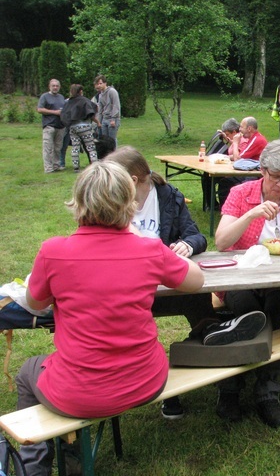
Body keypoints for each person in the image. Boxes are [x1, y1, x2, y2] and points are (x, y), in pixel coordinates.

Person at [16, 161, 204, 475]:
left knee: (27, 372)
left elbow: (34, 302)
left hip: (78, 392)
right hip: (145, 380)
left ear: (78, 202)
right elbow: (196, 280)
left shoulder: (54, 251)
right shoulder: (149, 249)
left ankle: (35, 466)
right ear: (128, 203)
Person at [105, 146, 215, 419]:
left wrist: (187, 246)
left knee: (201, 303)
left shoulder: (168, 196)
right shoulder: (109, 200)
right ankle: (155, 384)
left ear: (131, 180)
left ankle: (216, 370)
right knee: (126, 334)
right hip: (127, 292)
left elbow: (197, 237)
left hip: (168, 285)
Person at [215, 139, 280, 427]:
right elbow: (222, 242)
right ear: (262, 170)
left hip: (278, 280)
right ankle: (230, 388)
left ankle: (267, 392)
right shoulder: (241, 194)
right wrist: (251, 214)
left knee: (277, 307)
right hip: (240, 279)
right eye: (276, 178)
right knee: (247, 312)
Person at [217, 116, 268, 207]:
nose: (239, 130)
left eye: (241, 127)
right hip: (250, 170)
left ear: (249, 128)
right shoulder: (253, 139)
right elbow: (241, 157)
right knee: (224, 181)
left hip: (256, 174)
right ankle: (226, 208)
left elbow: (238, 160)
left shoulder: (257, 140)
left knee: (227, 182)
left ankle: (230, 208)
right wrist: (224, 157)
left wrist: (236, 142)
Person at [202, 118, 241, 211]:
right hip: (229, 167)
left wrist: (226, 157)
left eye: (228, 134)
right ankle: (212, 205)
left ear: (234, 132)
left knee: (223, 181)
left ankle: (224, 208)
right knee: (206, 176)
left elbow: (238, 157)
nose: (227, 137)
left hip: (239, 172)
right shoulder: (236, 140)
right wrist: (226, 137)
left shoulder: (242, 140)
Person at [60, 84, 100, 172]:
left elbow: (63, 115)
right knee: (90, 146)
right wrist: (98, 122)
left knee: (75, 147)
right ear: (81, 91)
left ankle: (76, 168)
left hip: (73, 127)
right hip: (85, 126)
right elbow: (92, 112)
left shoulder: (68, 102)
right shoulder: (84, 101)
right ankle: (95, 166)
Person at [37, 79, 66, 173]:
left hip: (60, 126)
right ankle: (48, 168)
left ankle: (56, 165)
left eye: (57, 86)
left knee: (58, 148)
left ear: (59, 87)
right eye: (53, 85)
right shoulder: (45, 96)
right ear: (49, 86)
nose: (55, 87)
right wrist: (54, 112)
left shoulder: (61, 97)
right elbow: (40, 109)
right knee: (48, 148)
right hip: (49, 125)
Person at [94, 75, 121, 146]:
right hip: (104, 119)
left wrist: (113, 119)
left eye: (100, 83)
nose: (99, 85)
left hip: (113, 119)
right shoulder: (100, 95)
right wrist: (98, 121)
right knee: (105, 140)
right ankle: (107, 155)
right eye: (97, 84)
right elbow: (100, 109)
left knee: (112, 139)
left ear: (105, 83)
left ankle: (115, 154)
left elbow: (116, 105)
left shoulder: (112, 91)